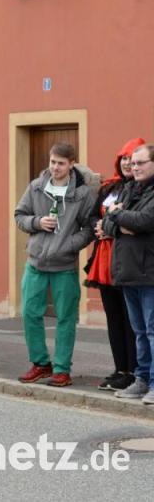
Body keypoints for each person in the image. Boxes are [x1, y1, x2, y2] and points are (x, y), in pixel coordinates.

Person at [14, 142, 97, 387]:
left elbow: (90, 227)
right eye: (52, 162)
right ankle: (41, 364)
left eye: (61, 163)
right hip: (36, 263)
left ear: (72, 164)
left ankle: (62, 369)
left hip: (64, 266)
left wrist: (70, 243)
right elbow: (19, 215)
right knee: (30, 313)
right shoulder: (37, 187)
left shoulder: (83, 194)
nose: (55, 168)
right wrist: (38, 222)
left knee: (66, 319)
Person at [86, 138, 144, 391]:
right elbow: (91, 216)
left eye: (132, 159)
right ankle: (120, 368)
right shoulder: (109, 188)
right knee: (114, 318)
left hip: (126, 259)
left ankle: (134, 370)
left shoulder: (140, 190)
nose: (127, 163)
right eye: (123, 158)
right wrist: (97, 228)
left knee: (132, 320)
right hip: (104, 259)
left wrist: (111, 228)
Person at [103, 143, 154, 404]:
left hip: (149, 272)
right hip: (127, 271)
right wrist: (122, 221)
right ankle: (141, 379)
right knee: (139, 331)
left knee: (152, 330)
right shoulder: (128, 188)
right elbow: (107, 224)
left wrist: (119, 217)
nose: (134, 167)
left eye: (140, 163)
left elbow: (145, 220)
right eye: (132, 163)